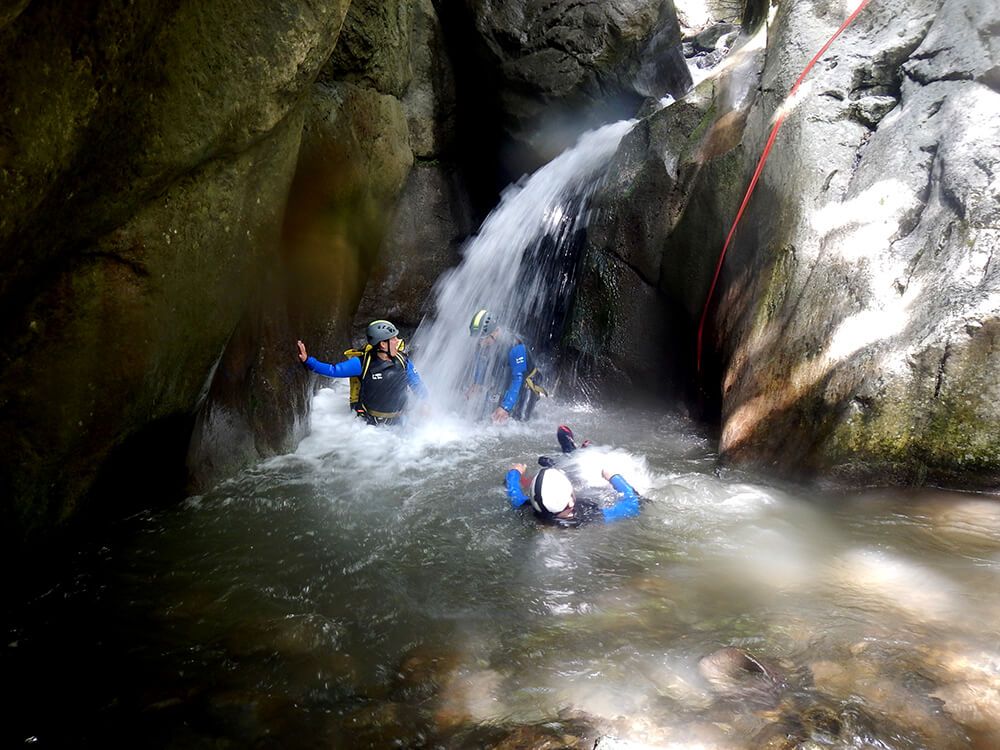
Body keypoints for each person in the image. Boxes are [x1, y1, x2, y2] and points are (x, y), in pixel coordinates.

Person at [297, 319, 428, 426]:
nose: (398, 341)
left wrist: (425, 403)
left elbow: (416, 383)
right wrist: (308, 361)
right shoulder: (362, 363)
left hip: (399, 421)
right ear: (383, 344)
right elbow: (333, 370)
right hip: (371, 426)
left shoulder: (403, 360)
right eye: (393, 339)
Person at [467, 308, 546, 423]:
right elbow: (481, 361)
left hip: (526, 383)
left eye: (483, 338)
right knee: (485, 418)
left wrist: (505, 407)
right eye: (478, 339)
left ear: (495, 332)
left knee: (520, 422)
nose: (480, 343)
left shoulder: (515, 346)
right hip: (505, 379)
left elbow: (518, 379)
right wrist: (477, 383)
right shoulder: (483, 343)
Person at [504, 462, 641, 527]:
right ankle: (571, 453)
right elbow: (633, 504)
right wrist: (613, 477)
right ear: (570, 502)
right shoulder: (590, 517)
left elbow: (513, 490)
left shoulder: (525, 507)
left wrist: (514, 472)